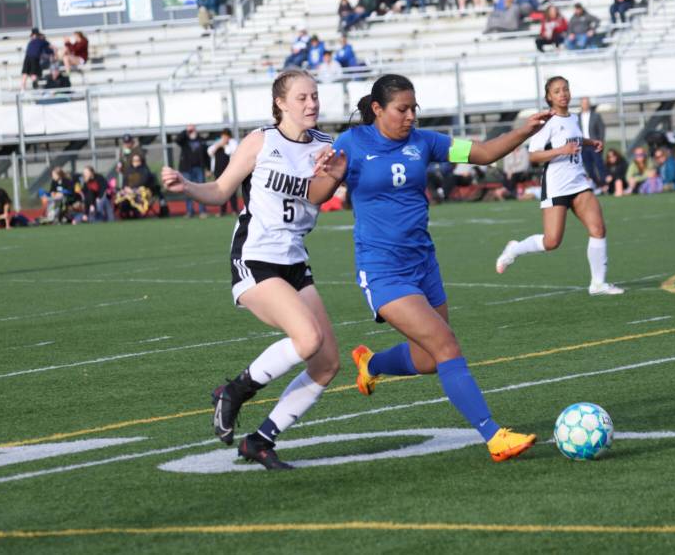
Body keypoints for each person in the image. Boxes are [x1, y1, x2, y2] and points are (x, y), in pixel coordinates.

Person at [308, 73, 548, 462]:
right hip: (382, 268)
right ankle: (494, 436)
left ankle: (371, 362)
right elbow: (316, 195)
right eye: (401, 110)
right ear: (377, 109)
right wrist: (332, 177)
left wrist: (525, 130)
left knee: (427, 360)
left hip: (423, 263)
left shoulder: (424, 142)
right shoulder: (352, 143)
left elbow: (484, 154)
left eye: (413, 109)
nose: (410, 117)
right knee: (446, 345)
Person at [161, 70, 341, 470]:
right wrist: (187, 187)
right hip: (256, 257)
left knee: (327, 363)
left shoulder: (328, 146)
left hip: (295, 260)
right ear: (280, 103)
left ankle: (260, 440)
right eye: (301, 98)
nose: (311, 104)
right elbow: (221, 190)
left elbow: (329, 192)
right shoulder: (261, 141)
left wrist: (340, 174)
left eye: (315, 96)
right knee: (308, 338)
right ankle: (234, 390)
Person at [495, 76, 624, 295]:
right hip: (556, 186)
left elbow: (574, 138)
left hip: (579, 182)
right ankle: (514, 248)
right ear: (549, 97)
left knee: (598, 229)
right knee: (552, 241)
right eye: (557, 91)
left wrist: (591, 143)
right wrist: (560, 151)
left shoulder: (572, 118)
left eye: (565, 89)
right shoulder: (547, 123)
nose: (562, 93)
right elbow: (533, 156)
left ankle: (598, 284)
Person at [175, 125, 210, 218]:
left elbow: (206, 156)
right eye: (190, 130)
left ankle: (202, 211)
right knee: (187, 190)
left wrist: (208, 169)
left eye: (192, 129)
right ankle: (190, 211)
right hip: (186, 169)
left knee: (201, 189)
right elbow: (177, 139)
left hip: (199, 168)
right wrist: (186, 131)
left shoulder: (201, 140)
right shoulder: (184, 140)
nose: (191, 132)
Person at [208, 128, 240, 215]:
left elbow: (230, 151)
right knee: (220, 191)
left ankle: (235, 209)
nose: (224, 138)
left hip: (229, 170)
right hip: (218, 171)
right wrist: (219, 145)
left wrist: (224, 145)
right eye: (223, 136)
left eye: (226, 136)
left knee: (232, 190)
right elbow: (210, 152)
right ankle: (222, 211)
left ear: (229, 136)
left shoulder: (233, 143)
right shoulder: (218, 142)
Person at [578, 97, 606, 188]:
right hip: (583, 145)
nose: (585, 104)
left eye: (587, 103)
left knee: (599, 164)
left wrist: (601, 142)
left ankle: (604, 184)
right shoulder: (577, 117)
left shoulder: (596, 116)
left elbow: (601, 130)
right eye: (583, 103)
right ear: (581, 104)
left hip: (594, 144)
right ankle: (596, 183)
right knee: (588, 167)